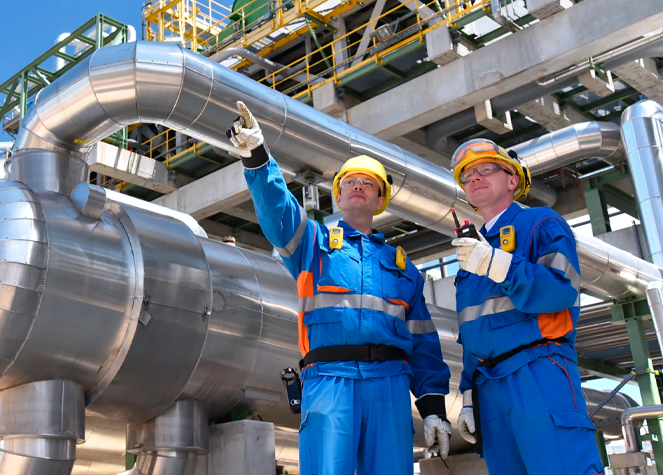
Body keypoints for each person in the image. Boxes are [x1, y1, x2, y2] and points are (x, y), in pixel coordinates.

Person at [227, 101, 451, 474]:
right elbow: (277, 211)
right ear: (339, 196)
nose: (358, 186)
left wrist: (433, 411)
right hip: (329, 381)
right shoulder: (312, 243)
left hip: (390, 385)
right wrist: (257, 157)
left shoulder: (404, 270)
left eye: (368, 183)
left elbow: (425, 345)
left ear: (380, 200)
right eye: (350, 182)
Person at [449, 138, 604, 474]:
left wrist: (497, 264)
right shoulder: (470, 255)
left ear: (512, 180)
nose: (474, 178)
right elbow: (473, 331)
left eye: (486, 169)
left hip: (538, 369)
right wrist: (468, 395)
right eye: (467, 175)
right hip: (488, 387)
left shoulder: (540, 222)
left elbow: (561, 289)